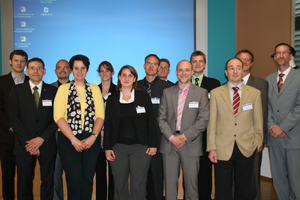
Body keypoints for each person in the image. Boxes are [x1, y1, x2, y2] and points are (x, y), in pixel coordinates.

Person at [207, 58, 263, 200]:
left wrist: (257, 141)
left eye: (238, 67)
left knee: (244, 189)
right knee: (222, 188)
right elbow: (212, 122)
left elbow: (258, 121)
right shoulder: (215, 93)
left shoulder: (255, 93)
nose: (235, 71)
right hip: (222, 148)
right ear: (226, 72)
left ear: (243, 70)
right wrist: (212, 147)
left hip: (246, 147)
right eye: (231, 68)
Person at [54, 54, 104, 200]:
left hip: (91, 139)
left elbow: (100, 115)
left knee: (87, 179)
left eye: (83, 68)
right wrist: (73, 140)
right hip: (68, 140)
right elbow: (58, 117)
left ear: (87, 70)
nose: (79, 71)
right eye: (76, 68)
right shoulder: (63, 89)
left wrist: (94, 136)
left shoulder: (95, 89)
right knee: (73, 179)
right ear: (71, 70)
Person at [158, 60, 209, 200]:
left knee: (191, 186)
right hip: (169, 144)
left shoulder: (201, 93)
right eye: (180, 70)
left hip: (191, 144)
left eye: (187, 70)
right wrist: (172, 137)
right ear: (176, 72)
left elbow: (203, 119)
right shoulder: (167, 92)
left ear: (192, 72)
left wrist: (185, 136)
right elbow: (161, 119)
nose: (184, 73)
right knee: (169, 185)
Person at [104, 65, 157, 200]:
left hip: (141, 148)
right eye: (124, 75)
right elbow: (108, 125)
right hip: (117, 148)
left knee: (138, 184)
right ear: (119, 78)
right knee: (119, 184)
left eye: (130, 75)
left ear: (134, 79)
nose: (126, 78)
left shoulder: (143, 97)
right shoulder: (112, 99)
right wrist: (107, 147)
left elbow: (151, 121)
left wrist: (153, 144)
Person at [9, 57, 57, 200]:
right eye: (32, 68)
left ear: (44, 71)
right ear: (27, 70)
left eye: (39, 68)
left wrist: (41, 139)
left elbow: (57, 118)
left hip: (46, 144)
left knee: (48, 181)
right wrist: (29, 142)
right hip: (24, 145)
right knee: (24, 182)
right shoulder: (17, 90)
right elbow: (14, 118)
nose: (36, 71)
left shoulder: (53, 91)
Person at [265, 43, 300, 200]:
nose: (280, 55)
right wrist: (272, 126)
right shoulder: (269, 80)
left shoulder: (298, 77)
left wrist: (283, 128)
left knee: (296, 182)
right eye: (277, 53)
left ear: (291, 56)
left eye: (284, 52)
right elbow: (266, 107)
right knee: (279, 181)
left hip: (293, 138)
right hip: (274, 138)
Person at [137, 54, 173, 200]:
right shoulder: (136, 86)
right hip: (138, 139)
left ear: (158, 67)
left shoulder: (168, 87)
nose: (151, 66)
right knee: (140, 176)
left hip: (160, 137)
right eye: (148, 63)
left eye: (154, 64)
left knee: (157, 175)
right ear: (144, 66)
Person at [235, 49, 268, 200]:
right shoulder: (226, 85)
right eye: (240, 59)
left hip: (252, 140)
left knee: (253, 177)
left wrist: (260, 139)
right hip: (233, 141)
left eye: (247, 60)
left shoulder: (261, 84)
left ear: (252, 64)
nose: (243, 62)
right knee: (234, 176)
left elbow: (263, 113)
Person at [190, 50, 220, 200]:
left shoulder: (214, 84)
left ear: (205, 64)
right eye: (194, 61)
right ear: (191, 64)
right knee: (189, 173)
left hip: (207, 135)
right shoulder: (182, 83)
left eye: (200, 61)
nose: (197, 64)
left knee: (205, 172)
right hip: (188, 135)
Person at [0, 50, 29, 200]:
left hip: (26, 139)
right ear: (10, 61)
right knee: (7, 176)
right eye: (16, 60)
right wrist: (12, 127)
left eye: (22, 61)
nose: (19, 63)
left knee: (25, 178)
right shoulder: (1, 81)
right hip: (6, 138)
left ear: (26, 63)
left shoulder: (31, 82)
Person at [96, 61, 116, 200]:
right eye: (102, 71)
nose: (104, 73)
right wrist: (99, 132)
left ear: (112, 73)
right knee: (100, 173)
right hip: (96, 137)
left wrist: (107, 131)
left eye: (107, 70)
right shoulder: (92, 90)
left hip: (114, 137)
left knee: (115, 174)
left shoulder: (118, 91)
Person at [51, 59, 71, 200]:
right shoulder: (49, 89)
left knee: (73, 173)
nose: (62, 70)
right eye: (59, 67)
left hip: (74, 138)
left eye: (65, 67)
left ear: (70, 70)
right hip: (53, 137)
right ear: (55, 71)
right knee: (55, 173)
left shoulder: (79, 87)